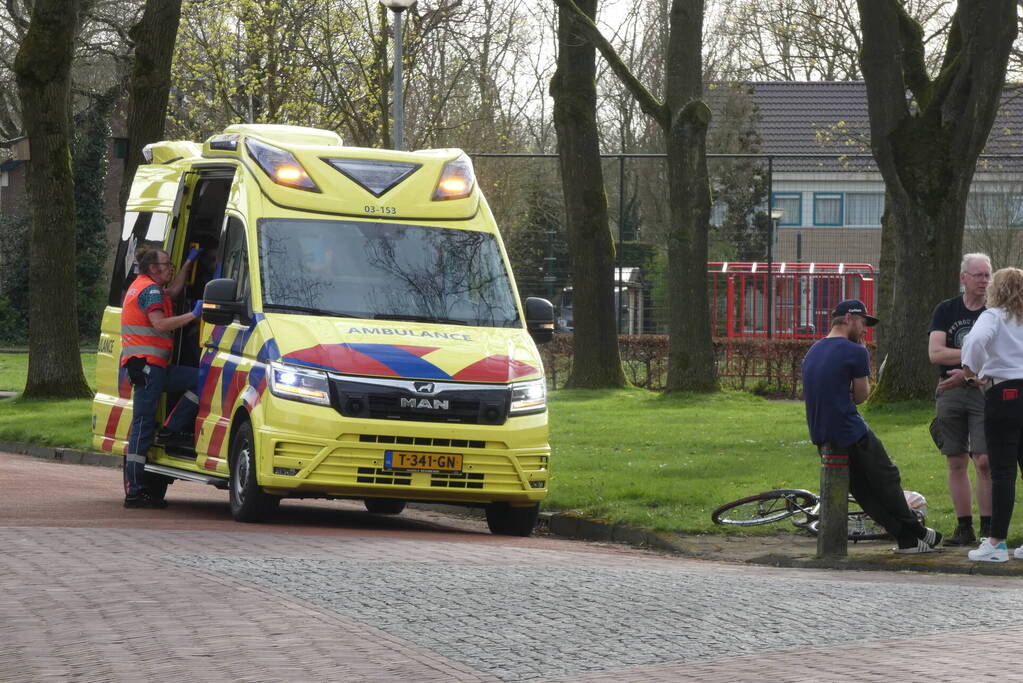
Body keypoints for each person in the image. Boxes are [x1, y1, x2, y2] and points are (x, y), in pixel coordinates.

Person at [802, 299, 942, 554]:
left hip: (821, 433)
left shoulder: (814, 350)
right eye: (863, 322)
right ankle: (917, 532)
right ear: (848, 319)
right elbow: (861, 396)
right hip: (850, 430)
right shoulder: (855, 351)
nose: (865, 328)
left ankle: (908, 539)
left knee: (864, 493)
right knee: (887, 478)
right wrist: (862, 356)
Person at [120, 247, 203, 509]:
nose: (171, 269)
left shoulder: (144, 285)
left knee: (201, 380)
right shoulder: (150, 291)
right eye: (168, 265)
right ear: (154, 268)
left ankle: (170, 429)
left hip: (154, 368)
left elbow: (174, 292)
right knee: (142, 427)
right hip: (147, 368)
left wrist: (189, 263)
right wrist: (193, 315)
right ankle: (134, 492)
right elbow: (160, 324)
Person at [927, 253, 993, 546]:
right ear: (963, 277)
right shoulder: (946, 310)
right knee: (955, 460)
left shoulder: (995, 312)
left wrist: (968, 368)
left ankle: (989, 529)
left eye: (987, 275)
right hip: (949, 390)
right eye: (978, 275)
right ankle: (964, 527)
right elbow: (935, 354)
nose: (983, 281)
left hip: (984, 390)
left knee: (984, 460)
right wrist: (974, 356)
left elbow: (1000, 355)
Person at [961, 267, 1023, 562]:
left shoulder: (994, 316)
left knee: (1003, 472)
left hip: (1005, 393)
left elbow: (974, 342)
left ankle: (997, 542)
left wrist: (970, 370)